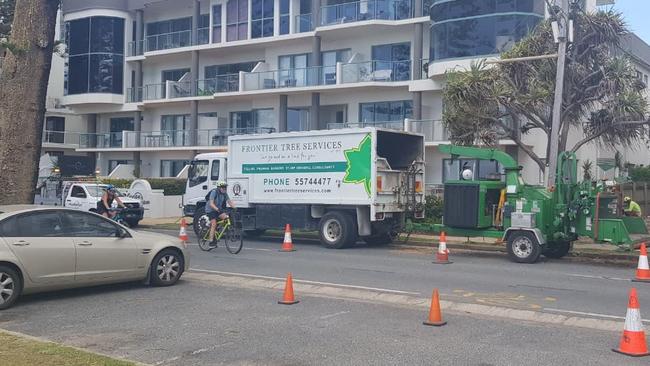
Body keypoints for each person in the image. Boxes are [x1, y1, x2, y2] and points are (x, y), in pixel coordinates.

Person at [206, 181, 235, 246]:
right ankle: (211, 242)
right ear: (219, 187)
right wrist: (217, 209)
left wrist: (234, 207)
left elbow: (229, 201)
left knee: (226, 217)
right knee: (214, 223)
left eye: (225, 187)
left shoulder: (224, 193)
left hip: (218, 210)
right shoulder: (214, 192)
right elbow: (211, 204)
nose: (224, 188)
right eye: (223, 187)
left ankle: (217, 230)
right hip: (210, 210)